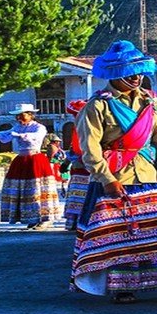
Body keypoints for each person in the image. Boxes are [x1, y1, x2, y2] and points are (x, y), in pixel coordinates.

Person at [72, 40, 157, 304]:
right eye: (129, 73)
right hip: (115, 179)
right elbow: (90, 150)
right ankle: (122, 286)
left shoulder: (152, 104)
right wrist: (107, 179)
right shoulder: (97, 107)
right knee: (121, 236)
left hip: (149, 179)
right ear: (115, 74)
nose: (136, 78)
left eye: (139, 72)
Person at [0, 103, 59, 229]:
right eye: (18, 116)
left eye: (22, 115)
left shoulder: (39, 127)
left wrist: (21, 136)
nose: (19, 118)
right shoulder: (17, 127)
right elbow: (8, 134)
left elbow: (35, 137)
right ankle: (31, 218)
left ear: (31, 115)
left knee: (37, 188)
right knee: (23, 190)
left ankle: (44, 218)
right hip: (22, 160)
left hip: (35, 160)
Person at [62, 99, 90, 232]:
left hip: (90, 167)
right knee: (77, 195)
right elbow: (74, 148)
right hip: (78, 168)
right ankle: (75, 221)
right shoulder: (77, 128)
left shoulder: (92, 127)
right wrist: (66, 162)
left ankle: (84, 222)